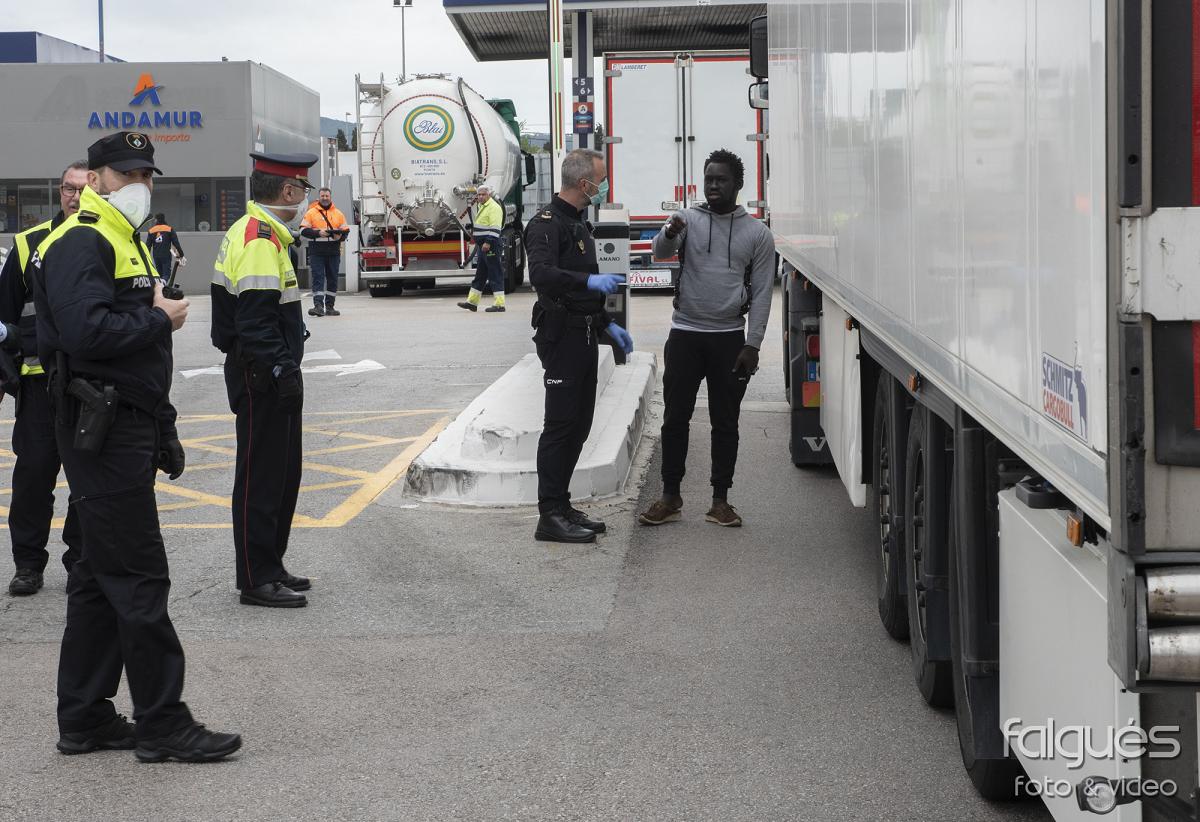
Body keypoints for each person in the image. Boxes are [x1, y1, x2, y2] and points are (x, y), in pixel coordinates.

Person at [32, 131, 240, 762]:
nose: (139, 185)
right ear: (94, 179)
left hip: (125, 422)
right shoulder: (82, 240)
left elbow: (132, 352)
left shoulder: (127, 239)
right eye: (126, 175)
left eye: (146, 174)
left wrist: (163, 426)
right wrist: (159, 318)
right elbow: (85, 332)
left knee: (99, 577)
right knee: (139, 577)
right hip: (101, 429)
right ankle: (162, 723)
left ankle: (85, 717)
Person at [638, 148, 775, 528]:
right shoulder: (687, 219)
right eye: (709, 179)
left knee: (725, 423)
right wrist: (668, 233)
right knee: (674, 418)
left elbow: (763, 293)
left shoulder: (757, 234)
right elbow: (660, 253)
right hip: (685, 334)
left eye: (721, 180)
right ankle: (670, 496)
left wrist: (753, 344)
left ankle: (720, 500)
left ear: (738, 184)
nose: (713, 186)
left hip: (729, 339)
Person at [211, 151, 316, 608]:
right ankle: (256, 577)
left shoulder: (265, 234)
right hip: (262, 376)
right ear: (288, 191)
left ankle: (271, 563)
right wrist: (280, 369)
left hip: (270, 371)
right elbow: (255, 322)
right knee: (261, 478)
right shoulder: (259, 239)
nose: (305, 199)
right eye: (303, 190)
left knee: (282, 475)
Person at [527, 148, 633, 544]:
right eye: (601, 181)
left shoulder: (579, 224)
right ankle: (549, 515)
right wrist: (587, 281)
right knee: (559, 427)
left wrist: (608, 324)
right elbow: (541, 274)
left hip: (586, 334)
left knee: (579, 427)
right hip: (562, 337)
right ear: (584, 183)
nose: (605, 187)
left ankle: (562, 504)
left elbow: (586, 289)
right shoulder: (546, 224)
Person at [1, 161, 86, 595]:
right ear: (60, 191)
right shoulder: (28, 243)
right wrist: (7, 376)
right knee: (33, 479)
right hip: (37, 385)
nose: (75, 197)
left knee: (86, 481)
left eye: (83, 190)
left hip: (88, 387)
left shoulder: (106, 242)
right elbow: (4, 317)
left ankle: (80, 561)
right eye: (68, 188)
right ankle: (28, 565)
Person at [300, 187, 349, 317]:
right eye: (322, 196)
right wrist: (318, 233)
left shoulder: (338, 213)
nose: (325, 198)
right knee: (318, 278)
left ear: (330, 197)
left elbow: (346, 231)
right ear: (319, 197)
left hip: (333, 252)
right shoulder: (311, 213)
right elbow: (303, 231)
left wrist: (340, 237)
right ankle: (318, 306)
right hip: (316, 252)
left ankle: (330, 307)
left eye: (327, 196)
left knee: (332, 279)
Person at [457, 184, 506, 313]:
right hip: (483, 246)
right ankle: (472, 303)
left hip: (491, 245)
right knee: (480, 275)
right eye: (478, 195)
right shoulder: (482, 206)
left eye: (483, 194)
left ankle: (499, 304)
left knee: (495, 273)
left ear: (489, 195)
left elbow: (496, 228)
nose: (480, 197)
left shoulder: (494, 207)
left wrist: (488, 242)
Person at [145, 213, 184, 280]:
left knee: (159, 275)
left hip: (156, 256)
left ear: (156, 220)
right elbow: (176, 243)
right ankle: (163, 285)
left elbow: (148, 246)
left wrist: (146, 257)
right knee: (166, 274)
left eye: (155, 219)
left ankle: (161, 286)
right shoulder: (169, 229)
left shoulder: (151, 230)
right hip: (166, 256)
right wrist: (181, 254)